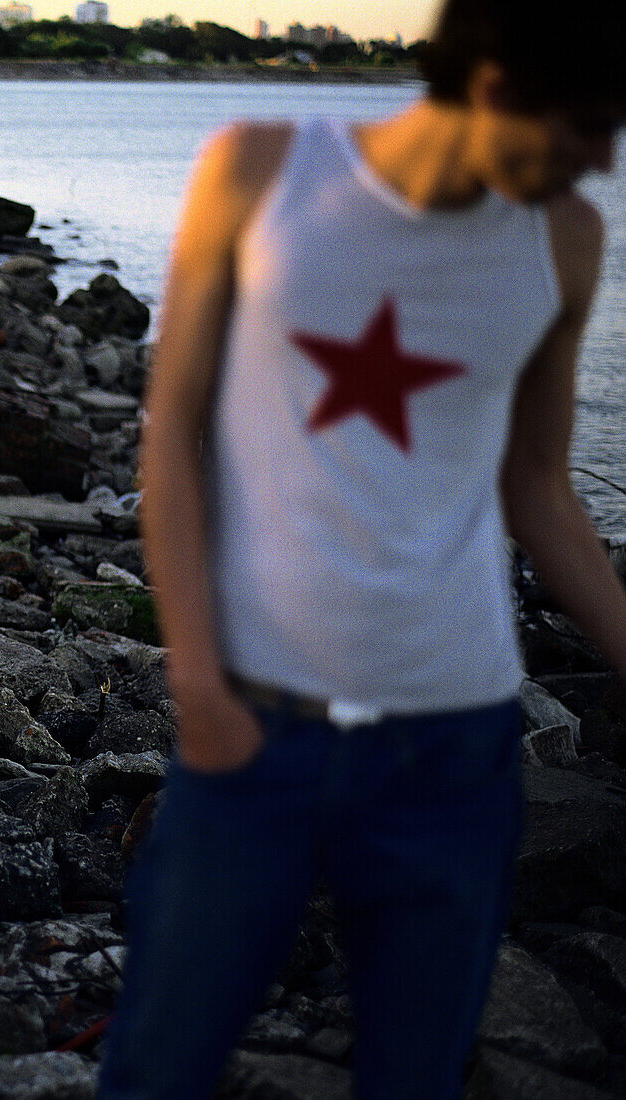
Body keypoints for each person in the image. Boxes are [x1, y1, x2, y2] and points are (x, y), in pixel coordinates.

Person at [97, 2, 626, 1098]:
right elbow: (175, 434)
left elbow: (535, 485)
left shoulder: (562, 237)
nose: (603, 162)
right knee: (158, 1063)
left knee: (415, 1077)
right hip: (254, 730)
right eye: (583, 128)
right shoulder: (257, 172)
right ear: (488, 85)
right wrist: (196, 682)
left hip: (453, 747)